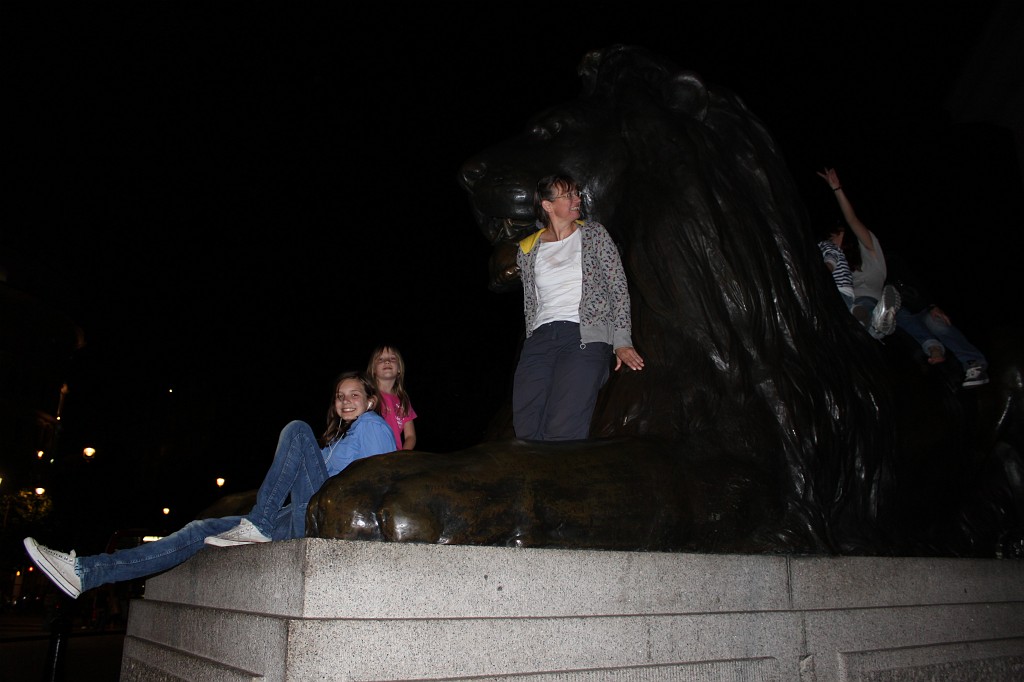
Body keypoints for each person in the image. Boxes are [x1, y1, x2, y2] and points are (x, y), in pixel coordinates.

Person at [23, 371, 396, 599]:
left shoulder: (372, 426)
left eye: (354, 395)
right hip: (292, 516)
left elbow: (379, 478)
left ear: (370, 400)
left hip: (324, 518)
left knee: (297, 431)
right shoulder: (334, 443)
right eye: (340, 395)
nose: (346, 401)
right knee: (197, 531)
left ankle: (258, 525)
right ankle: (87, 573)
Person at [512, 173, 644, 441]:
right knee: (526, 428)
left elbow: (617, 287)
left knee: (563, 429)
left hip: (583, 337)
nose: (577, 199)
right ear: (548, 206)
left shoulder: (594, 235)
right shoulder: (528, 249)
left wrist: (621, 340)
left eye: (576, 193)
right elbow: (530, 302)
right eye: (568, 195)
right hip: (540, 340)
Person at [818, 167, 901, 338]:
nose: (831, 241)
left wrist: (836, 189)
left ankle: (880, 319)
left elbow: (852, 219)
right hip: (847, 301)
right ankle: (878, 327)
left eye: (834, 236)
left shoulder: (869, 249)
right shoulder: (841, 261)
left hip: (868, 299)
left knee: (862, 308)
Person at [887, 252, 991, 388]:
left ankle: (974, 363)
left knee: (937, 324)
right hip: (900, 312)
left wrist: (932, 305)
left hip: (920, 306)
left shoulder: (891, 260)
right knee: (902, 319)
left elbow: (914, 281)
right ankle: (934, 348)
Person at [367, 344, 417, 450]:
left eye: (392, 358)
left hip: (393, 457)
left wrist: (402, 456)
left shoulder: (404, 400)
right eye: (380, 359)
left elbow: (410, 436)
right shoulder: (368, 395)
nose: (387, 361)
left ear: (399, 369)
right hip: (370, 454)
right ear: (373, 369)